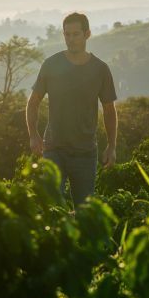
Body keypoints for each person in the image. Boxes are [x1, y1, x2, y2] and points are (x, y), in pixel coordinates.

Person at [26, 12, 118, 206]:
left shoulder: (100, 69)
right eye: (67, 34)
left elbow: (109, 110)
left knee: (85, 214)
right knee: (52, 208)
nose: (71, 39)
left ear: (87, 34)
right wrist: (33, 135)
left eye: (76, 34)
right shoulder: (51, 64)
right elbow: (33, 102)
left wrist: (111, 146)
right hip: (53, 149)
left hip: (85, 153)